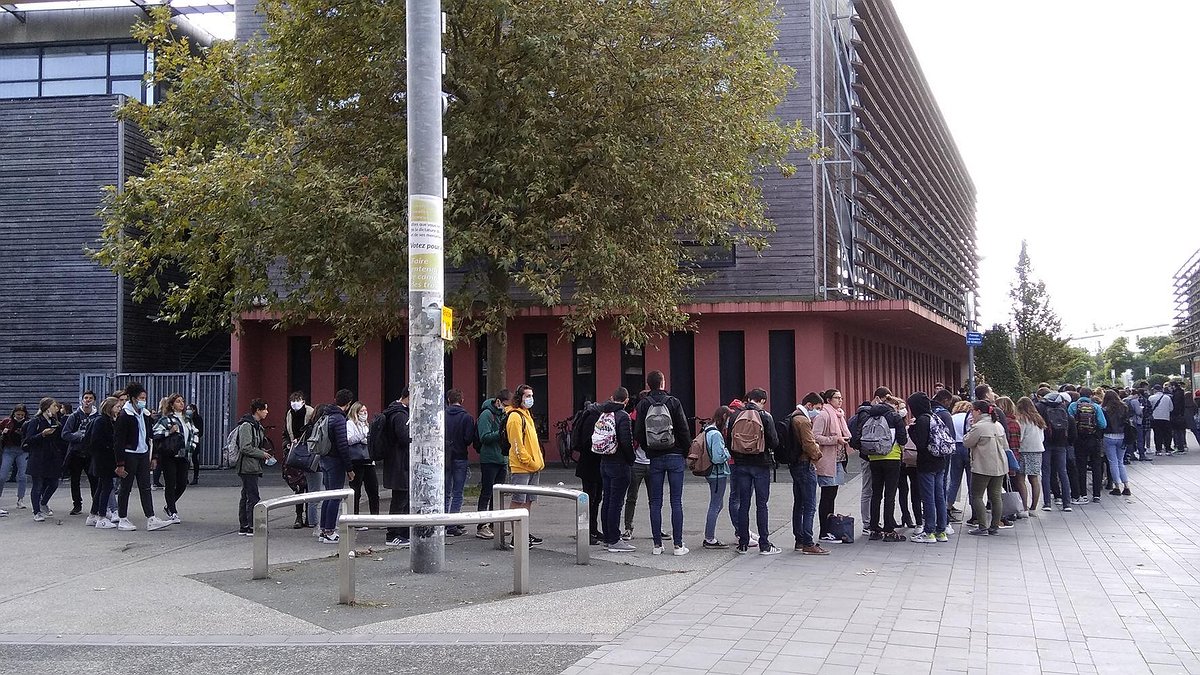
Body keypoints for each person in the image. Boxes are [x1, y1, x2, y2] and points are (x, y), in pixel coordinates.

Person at [634, 371, 693, 556]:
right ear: (662, 382)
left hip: (655, 457)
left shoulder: (643, 404)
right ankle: (678, 545)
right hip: (675, 455)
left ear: (648, 384)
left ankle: (657, 545)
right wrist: (685, 450)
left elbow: (638, 433)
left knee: (655, 502)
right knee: (676, 501)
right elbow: (683, 429)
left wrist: (650, 448)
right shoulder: (673, 402)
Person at [850, 387, 908, 542]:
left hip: (873, 458)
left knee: (876, 494)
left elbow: (858, 436)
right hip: (892, 458)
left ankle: (874, 528)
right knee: (890, 494)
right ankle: (889, 529)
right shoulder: (894, 417)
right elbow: (903, 439)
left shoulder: (868, 415)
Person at [113, 382, 172, 532]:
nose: (143, 400)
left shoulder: (144, 414)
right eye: (141, 398)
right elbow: (118, 441)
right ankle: (122, 518)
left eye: (144, 398)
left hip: (143, 454)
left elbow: (150, 436)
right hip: (129, 456)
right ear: (133, 398)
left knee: (145, 487)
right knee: (125, 488)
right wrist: (120, 463)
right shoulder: (124, 416)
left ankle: (151, 518)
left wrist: (154, 457)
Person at [728, 388, 781, 555]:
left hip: (741, 464)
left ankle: (743, 543)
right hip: (761, 464)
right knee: (761, 505)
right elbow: (774, 441)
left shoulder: (735, 416)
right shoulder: (765, 416)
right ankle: (764, 544)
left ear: (748, 399)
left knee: (744, 504)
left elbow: (729, 439)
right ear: (762, 401)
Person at [583, 388, 635, 552]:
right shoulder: (622, 416)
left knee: (607, 500)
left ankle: (607, 536)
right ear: (626, 401)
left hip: (604, 460)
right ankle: (614, 539)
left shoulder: (603, 413)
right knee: (616, 502)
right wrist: (631, 459)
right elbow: (626, 442)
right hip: (619, 463)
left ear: (613, 398)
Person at [906, 392, 950, 543]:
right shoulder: (935, 416)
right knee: (939, 497)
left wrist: (911, 430)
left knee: (928, 498)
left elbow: (920, 443)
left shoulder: (922, 420)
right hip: (940, 461)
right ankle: (941, 531)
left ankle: (929, 531)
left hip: (926, 463)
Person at [506, 384, 546, 547]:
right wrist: (528, 460)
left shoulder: (527, 415)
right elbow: (516, 444)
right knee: (518, 501)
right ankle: (517, 537)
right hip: (522, 467)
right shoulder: (515, 417)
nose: (530, 399)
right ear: (519, 398)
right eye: (527, 396)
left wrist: (537, 462)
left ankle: (524, 532)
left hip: (533, 466)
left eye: (531, 395)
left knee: (528, 501)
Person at [788, 394, 827, 555]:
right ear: (809, 405)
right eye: (817, 408)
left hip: (794, 463)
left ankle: (799, 539)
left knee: (799, 503)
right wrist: (818, 455)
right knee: (810, 505)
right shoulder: (803, 421)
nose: (817, 413)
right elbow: (809, 444)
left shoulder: (792, 416)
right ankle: (808, 543)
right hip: (805, 464)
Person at [963, 400, 1009, 536]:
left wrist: (970, 429)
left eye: (972, 411)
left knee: (976, 495)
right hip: (1000, 465)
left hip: (982, 466)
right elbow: (1005, 445)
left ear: (978, 411)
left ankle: (982, 526)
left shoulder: (979, 427)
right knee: (995, 496)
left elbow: (967, 442)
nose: (971, 414)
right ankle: (995, 526)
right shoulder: (998, 425)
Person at [811, 389, 850, 545]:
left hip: (838, 460)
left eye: (841, 397)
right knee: (827, 496)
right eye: (836, 398)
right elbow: (815, 436)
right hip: (827, 460)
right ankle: (824, 531)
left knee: (832, 495)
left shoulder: (839, 414)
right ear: (828, 400)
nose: (840, 400)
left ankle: (830, 528)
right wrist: (835, 439)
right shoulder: (824, 415)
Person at [152, 393, 198, 523]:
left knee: (182, 483)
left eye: (182, 401)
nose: (181, 404)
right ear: (172, 405)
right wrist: (169, 432)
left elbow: (195, 432)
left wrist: (192, 447)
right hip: (170, 455)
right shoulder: (166, 419)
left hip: (184, 455)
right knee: (170, 483)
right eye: (178, 401)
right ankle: (172, 510)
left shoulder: (187, 419)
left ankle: (169, 506)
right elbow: (155, 433)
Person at [318, 389, 356, 544]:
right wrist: (349, 468)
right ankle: (329, 531)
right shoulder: (339, 419)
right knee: (335, 496)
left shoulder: (326, 415)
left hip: (324, 458)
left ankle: (323, 529)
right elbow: (342, 445)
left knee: (328, 495)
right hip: (335, 461)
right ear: (348, 404)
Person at [234, 398, 276, 535]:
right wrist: (261, 454)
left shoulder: (257, 426)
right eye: (264, 409)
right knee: (252, 496)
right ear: (257, 410)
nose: (267, 412)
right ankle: (252, 526)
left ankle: (245, 525)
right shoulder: (247, 426)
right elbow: (245, 447)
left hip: (252, 465)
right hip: (247, 466)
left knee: (246, 494)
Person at [474, 389, 511, 539]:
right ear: (498, 401)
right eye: (506, 404)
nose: (507, 408)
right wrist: (501, 433)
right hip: (489, 459)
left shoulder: (505, 414)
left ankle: (495, 524)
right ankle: (482, 525)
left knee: (498, 495)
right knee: (487, 492)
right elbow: (484, 437)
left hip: (502, 459)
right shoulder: (486, 415)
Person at [571, 398, 605, 545]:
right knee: (589, 499)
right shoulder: (592, 418)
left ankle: (593, 529)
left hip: (595, 465)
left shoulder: (595, 416)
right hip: (590, 464)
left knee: (596, 498)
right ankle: (585, 531)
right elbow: (587, 442)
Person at [24, 398, 64, 522]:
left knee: (53, 483)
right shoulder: (35, 421)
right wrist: (42, 434)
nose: (56, 409)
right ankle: (36, 511)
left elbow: (59, 440)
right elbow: (28, 440)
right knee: (37, 485)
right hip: (38, 457)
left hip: (52, 458)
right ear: (47, 408)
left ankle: (43, 502)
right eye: (53, 406)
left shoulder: (55, 422)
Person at [443, 389, 478, 536]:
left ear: (448, 400)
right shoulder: (467, 417)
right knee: (458, 491)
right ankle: (452, 524)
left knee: (445, 491)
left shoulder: (441, 415)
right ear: (462, 400)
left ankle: (442, 521)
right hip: (460, 456)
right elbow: (468, 438)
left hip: (444, 456)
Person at [382, 389, 412, 548]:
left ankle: (403, 532)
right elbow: (404, 437)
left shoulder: (395, 411)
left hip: (398, 463)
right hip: (400, 464)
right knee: (400, 500)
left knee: (403, 499)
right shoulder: (400, 415)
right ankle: (394, 534)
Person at [61, 391, 99, 516]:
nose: (88, 400)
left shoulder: (97, 416)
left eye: (90, 398)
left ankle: (96, 505)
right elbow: (65, 434)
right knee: (75, 480)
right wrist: (78, 436)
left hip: (91, 453)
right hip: (76, 453)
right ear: (82, 400)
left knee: (94, 480)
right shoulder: (74, 416)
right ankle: (77, 505)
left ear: (94, 400)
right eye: (86, 398)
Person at [701, 405, 733, 550]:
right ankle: (709, 538)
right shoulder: (716, 434)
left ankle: (709, 536)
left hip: (710, 473)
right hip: (718, 473)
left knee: (718, 504)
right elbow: (718, 457)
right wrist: (727, 453)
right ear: (724, 417)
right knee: (715, 505)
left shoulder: (707, 430)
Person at [283, 391, 318, 526]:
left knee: (309, 485)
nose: (295, 404)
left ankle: (310, 516)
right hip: (293, 451)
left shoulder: (311, 412)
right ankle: (298, 516)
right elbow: (285, 433)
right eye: (293, 401)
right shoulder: (289, 414)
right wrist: (287, 444)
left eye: (297, 401)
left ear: (303, 401)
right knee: (297, 486)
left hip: (307, 452)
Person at [1067, 387, 1107, 504]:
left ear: (1080, 395)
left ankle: (1082, 494)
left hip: (1079, 440)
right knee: (1096, 466)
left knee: (1081, 466)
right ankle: (1096, 494)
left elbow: (1070, 421)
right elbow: (1103, 424)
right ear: (1091, 395)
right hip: (1094, 439)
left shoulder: (1073, 406)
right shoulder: (1096, 407)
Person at [1039, 392, 1076, 512]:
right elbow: (1072, 433)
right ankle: (1067, 503)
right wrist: (1067, 442)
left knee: (1046, 472)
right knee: (1063, 472)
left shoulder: (1042, 410)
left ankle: (1047, 503)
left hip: (1046, 444)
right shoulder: (1065, 412)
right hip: (1061, 445)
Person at [87, 397, 121, 529]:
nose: (119, 409)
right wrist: (111, 445)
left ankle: (93, 514)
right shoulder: (102, 421)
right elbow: (97, 440)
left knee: (101, 487)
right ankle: (101, 516)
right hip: (103, 459)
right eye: (117, 407)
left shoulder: (108, 421)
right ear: (110, 407)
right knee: (106, 487)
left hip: (104, 459)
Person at [346, 401, 380, 520]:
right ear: (356, 412)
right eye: (362, 411)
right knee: (356, 491)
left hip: (369, 460)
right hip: (357, 461)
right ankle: (355, 519)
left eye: (366, 411)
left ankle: (375, 517)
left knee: (373, 490)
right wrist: (362, 436)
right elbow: (349, 440)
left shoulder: (367, 424)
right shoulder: (350, 424)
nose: (364, 413)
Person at [996, 396, 1027, 516]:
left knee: (1008, 485)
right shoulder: (1015, 422)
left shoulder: (1007, 423)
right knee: (1012, 484)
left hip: (1007, 457)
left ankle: (1012, 509)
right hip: (1014, 456)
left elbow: (1011, 443)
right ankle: (1017, 509)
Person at [1014, 396, 1045, 513]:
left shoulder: (1022, 419)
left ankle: (1024, 507)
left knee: (1021, 479)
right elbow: (1042, 437)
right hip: (1037, 450)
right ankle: (1034, 507)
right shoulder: (1038, 419)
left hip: (1024, 450)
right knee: (1034, 479)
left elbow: (1020, 437)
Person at [1100, 389, 1132, 496]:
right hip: (1122, 436)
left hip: (1109, 436)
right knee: (1120, 462)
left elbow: (1103, 424)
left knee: (1112, 462)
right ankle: (1126, 486)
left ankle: (1117, 486)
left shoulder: (1104, 409)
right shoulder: (1124, 407)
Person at [946, 399, 973, 523]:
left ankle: (948, 507)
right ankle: (975, 511)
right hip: (967, 447)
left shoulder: (952, 417)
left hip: (954, 447)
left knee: (954, 480)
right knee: (971, 480)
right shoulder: (969, 418)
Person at [0, 404, 30, 514]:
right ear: (14, 413)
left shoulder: (28, 423)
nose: (19, 416)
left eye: (22, 415)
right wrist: (3, 432)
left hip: (22, 451)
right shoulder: (7, 421)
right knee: (2, 475)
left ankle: (20, 499)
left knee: (22, 475)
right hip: (9, 449)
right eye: (17, 414)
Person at [1147, 384, 1173, 456]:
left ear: (1155, 390)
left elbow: (1149, 408)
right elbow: (1171, 408)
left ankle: (1158, 450)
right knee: (1167, 434)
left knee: (1157, 434)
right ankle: (1168, 449)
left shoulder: (1151, 398)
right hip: (1166, 418)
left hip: (1155, 418)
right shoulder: (1167, 397)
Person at [186, 403, 205, 485]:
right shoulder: (186, 418)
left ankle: (195, 477)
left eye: (189, 409)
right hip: (186, 442)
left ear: (194, 410)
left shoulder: (198, 419)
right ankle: (184, 477)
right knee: (186, 460)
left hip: (194, 442)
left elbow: (200, 432)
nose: (188, 411)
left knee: (194, 459)